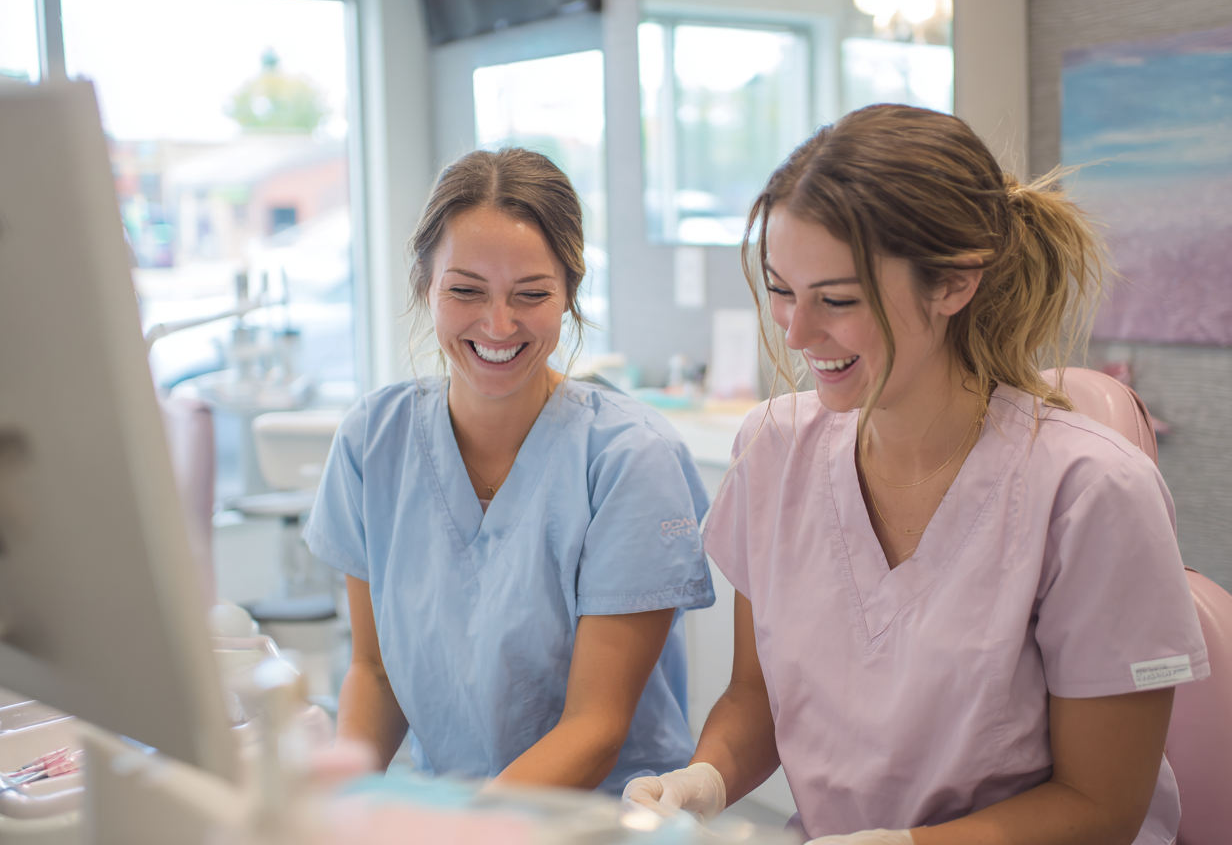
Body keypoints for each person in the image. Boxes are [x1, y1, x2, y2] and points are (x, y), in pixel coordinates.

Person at [624, 104, 1208, 844]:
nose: (798, 333)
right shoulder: (772, 450)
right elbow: (757, 697)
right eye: (781, 289)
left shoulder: (1090, 492)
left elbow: (1102, 807)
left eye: (837, 300)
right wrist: (701, 780)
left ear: (954, 285)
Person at [305, 147, 714, 793]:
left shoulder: (628, 460)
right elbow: (376, 672)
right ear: (424, 286)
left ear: (569, 295)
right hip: (456, 816)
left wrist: (462, 834)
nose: (499, 325)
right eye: (466, 291)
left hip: (598, 826)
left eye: (531, 295)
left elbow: (596, 728)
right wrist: (343, 801)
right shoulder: (373, 442)